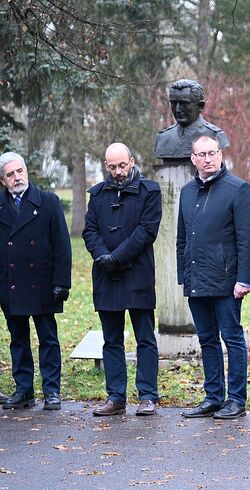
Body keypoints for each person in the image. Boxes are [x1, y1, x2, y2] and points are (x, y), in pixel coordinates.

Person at [178, 136, 250, 419]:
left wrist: (244, 279)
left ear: (221, 155)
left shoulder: (238, 189)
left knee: (232, 339)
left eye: (212, 153)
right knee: (207, 340)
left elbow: (249, 239)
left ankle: (236, 400)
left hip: (227, 283)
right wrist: (184, 275)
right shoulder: (187, 192)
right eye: (201, 154)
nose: (207, 159)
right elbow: (182, 239)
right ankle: (213, 397)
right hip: (196, 280)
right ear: (193, 159)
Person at [83, 143, 163, 417]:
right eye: (112, 167)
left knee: (145, 338)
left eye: (122, 165)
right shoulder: (97, 195)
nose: (118, 171)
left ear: (131, 161)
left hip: (137, 273)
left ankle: (148, 396)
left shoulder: (149, 192)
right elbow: (90, 231)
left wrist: (116, 257)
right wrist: (103, 257)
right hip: (106, 276)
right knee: (111, 340)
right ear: (106, 166)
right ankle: (116, 397)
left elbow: (146, 231)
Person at [0, 152, 72, 411]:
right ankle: (24, 390)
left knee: (48, 339)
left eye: (20, 171)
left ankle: (51, 390)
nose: (17, 177)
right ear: (3, 180)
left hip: (42, 283)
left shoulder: (48, 202)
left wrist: (62, 282)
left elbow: (63, 246)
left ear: (26, 171)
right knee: (18, 339)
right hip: (11, 284)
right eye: (10, 174)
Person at [155, 79, 229, 160]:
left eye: (184, 104)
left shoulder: (215, 135)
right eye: (174, 103)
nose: (177, 109)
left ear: (200, 106)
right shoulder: (163, 138)